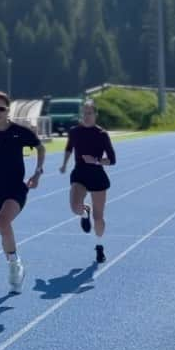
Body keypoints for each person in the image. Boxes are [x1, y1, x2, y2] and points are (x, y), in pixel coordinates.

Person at [0, 91, 45, 291]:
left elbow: (41, 148)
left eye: (1, 108)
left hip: (15, 188)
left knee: (4, 222)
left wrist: (37, 173)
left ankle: (14, 265)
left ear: (8, 110)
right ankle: (14, 260)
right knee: (4, 233)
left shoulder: (19, 131)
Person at [59, 98, 115, 264]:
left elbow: (112, 159)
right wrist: (64, 164)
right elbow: (69, 147)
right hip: (80, 175)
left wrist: (96, 161)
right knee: (75, 208)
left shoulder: (102, 134)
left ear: (95, 114)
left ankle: (99, 246)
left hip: (97, 176)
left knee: (98, 219)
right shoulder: (75, 131)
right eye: (84, 113)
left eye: (90, 113)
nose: (87, 116)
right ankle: (84, 212)